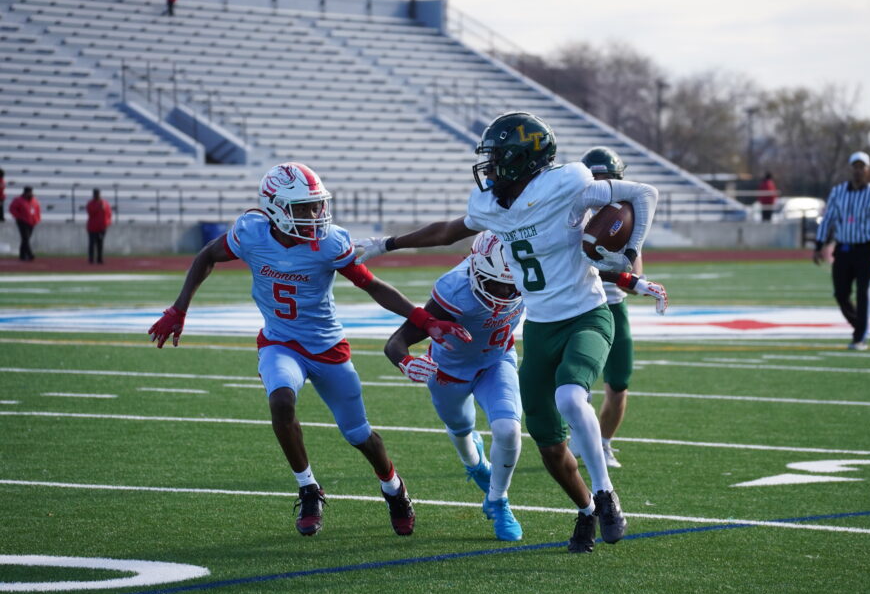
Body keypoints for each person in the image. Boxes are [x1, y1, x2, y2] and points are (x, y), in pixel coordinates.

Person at [355, 111, 668, 553]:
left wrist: (630, 256)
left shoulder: (568, 182)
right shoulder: (489, 208)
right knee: (549, 445)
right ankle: (585, 511)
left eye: (499, 157)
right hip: (539, 327)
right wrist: (387, 243)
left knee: (569, 397)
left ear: (524, 159)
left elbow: (643, 193)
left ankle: (605, 495)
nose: (490, 166)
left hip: (586, 313)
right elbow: (448, 231)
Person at [148, 162, 470, 538]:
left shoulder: (329, 242)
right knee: (281, 401)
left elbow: (371, 285)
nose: (315, 215)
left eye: (317, 206)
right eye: (304, 208)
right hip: (280, 342)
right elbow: (207, 255)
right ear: (275, 209)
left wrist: (423, 319)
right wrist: (179, 308)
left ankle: (394, 489)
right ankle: (308, 489)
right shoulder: (251, 233)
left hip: (327, 347)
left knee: (359, 435)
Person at [384, 231, 525, 542]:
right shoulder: (455, 291)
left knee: (508, 430)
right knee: (461, 431)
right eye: (496, 284)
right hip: (449, 370)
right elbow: (396, 342)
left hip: (497, 360)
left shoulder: (529, 272)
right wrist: (406, 362)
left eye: (512, 283)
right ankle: (475, 465)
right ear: (476, 271)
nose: (505, 292)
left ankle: (497, 501)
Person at [579, 147, 667, 469]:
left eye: (607, 179)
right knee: (576, 384)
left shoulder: (626, 221)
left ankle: (603, 444)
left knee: (618, 384)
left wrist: (625, 263)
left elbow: (633, 278)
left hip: (614, 307)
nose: (602, 186)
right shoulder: (573, 216)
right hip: (580, 307)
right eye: (596, 179)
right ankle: (580, 435)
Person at [812, 151, 870, 351]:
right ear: (851, 169)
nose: (858, 171)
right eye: (855, 167)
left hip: (865, 248)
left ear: (867, 169)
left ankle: (859, 337)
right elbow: (827, 220)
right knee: (840, 293)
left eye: (862, 167)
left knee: (863, 292)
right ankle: (860, 324)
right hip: (843, 248)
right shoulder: (838, 192)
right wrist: (818, 245)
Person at [9, 186, 41, 262]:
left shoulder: (34, 201)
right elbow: (12, 209)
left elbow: (37, 210)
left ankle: (22, 255)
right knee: (25, 238)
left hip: (32, 222)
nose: (30, 194)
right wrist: (19, 216)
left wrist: (37, 219)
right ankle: (30, 254)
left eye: (31, 192)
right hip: (22, 222)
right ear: (25, 193)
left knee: (26, 239)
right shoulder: (18, 200)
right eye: (29, 192)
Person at [86, 189, 113, 265]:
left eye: (98, 194)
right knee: (92, 244)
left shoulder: (105, 203)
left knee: (100, 243)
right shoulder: (90, 204)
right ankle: (91, 259)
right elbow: (90, 212)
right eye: (95, 194)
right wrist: (98, 207)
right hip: (92, 227)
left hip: (102, 227)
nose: (97, 195)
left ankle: (99, 259)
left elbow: (109, 213)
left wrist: (108, 223)